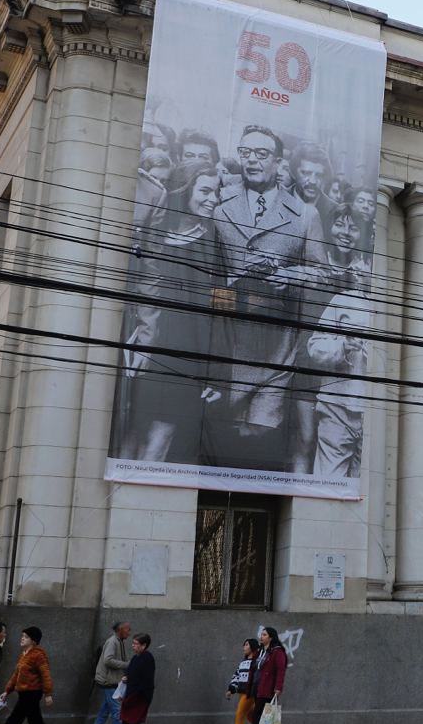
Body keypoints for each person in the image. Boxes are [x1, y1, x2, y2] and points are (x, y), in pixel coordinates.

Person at [213, 126, 328, 470]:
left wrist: (287, 276)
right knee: (222, 432)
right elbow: (208, 270)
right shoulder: (219, 209)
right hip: (229, 339)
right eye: (246, 152)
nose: (252, 161)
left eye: (261, 154)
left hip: (278, 345)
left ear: (279, 163)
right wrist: (231, 286)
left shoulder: (306, 215)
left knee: (260, 433)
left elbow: (321, 273)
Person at [117, 162, 224, 464]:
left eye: (218, 193)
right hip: (141, 348)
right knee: (127, 440)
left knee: (157, 444)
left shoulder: (214, 241)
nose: (213, 199)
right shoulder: (154, 228)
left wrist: (214, 372)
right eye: (205, 190)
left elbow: (221, 312)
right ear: (185, 189)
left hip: (184, 358)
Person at [305, 290, 369, 477]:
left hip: (378, 411)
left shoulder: (396, 304)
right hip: (337, 407)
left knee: (368, 487)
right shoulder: (344, 299)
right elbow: (315, 348)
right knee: (328, 483)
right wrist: (342, 345)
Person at [84, 621, 134, 724]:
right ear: (121, 629)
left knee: (103, 714)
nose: (129, 632)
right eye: (128, 629)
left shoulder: (119, 641)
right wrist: (126, 665)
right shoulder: (113, 641)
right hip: (108, 682)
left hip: (111, 681)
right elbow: (108, 660)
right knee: (117, 712)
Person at [240, 627, 286, 724]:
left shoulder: (277, 652)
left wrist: (278, 688)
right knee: (266, 717)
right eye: (261, 634)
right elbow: (254, 668)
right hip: (257, 687)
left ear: (271, 637)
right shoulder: (260, 651)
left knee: (258, 716)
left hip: (268, 689)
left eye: (264, 635)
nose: (261, 636)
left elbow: (280, 671)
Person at [120, 633, 156, 724]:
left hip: (140, 696)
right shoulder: (136, 658)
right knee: (129, 720)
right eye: (133, 643)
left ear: (144, 645)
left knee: (133, 720)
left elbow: (146, 680)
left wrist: (139, 694)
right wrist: (126, 678)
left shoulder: (147, 658)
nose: (133, 646)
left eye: (136, 644)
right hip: (131, 693)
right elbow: (131, 672)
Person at [221, 639, 259, 724]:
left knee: (240, 715)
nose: (244, 647)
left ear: (252, 647)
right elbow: (236, 676)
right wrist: (231, 689)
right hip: (242, 693)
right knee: (251, 717)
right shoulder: (243, 662)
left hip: (250, 694)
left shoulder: (256, 662)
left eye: (246, 645)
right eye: (244, 645)